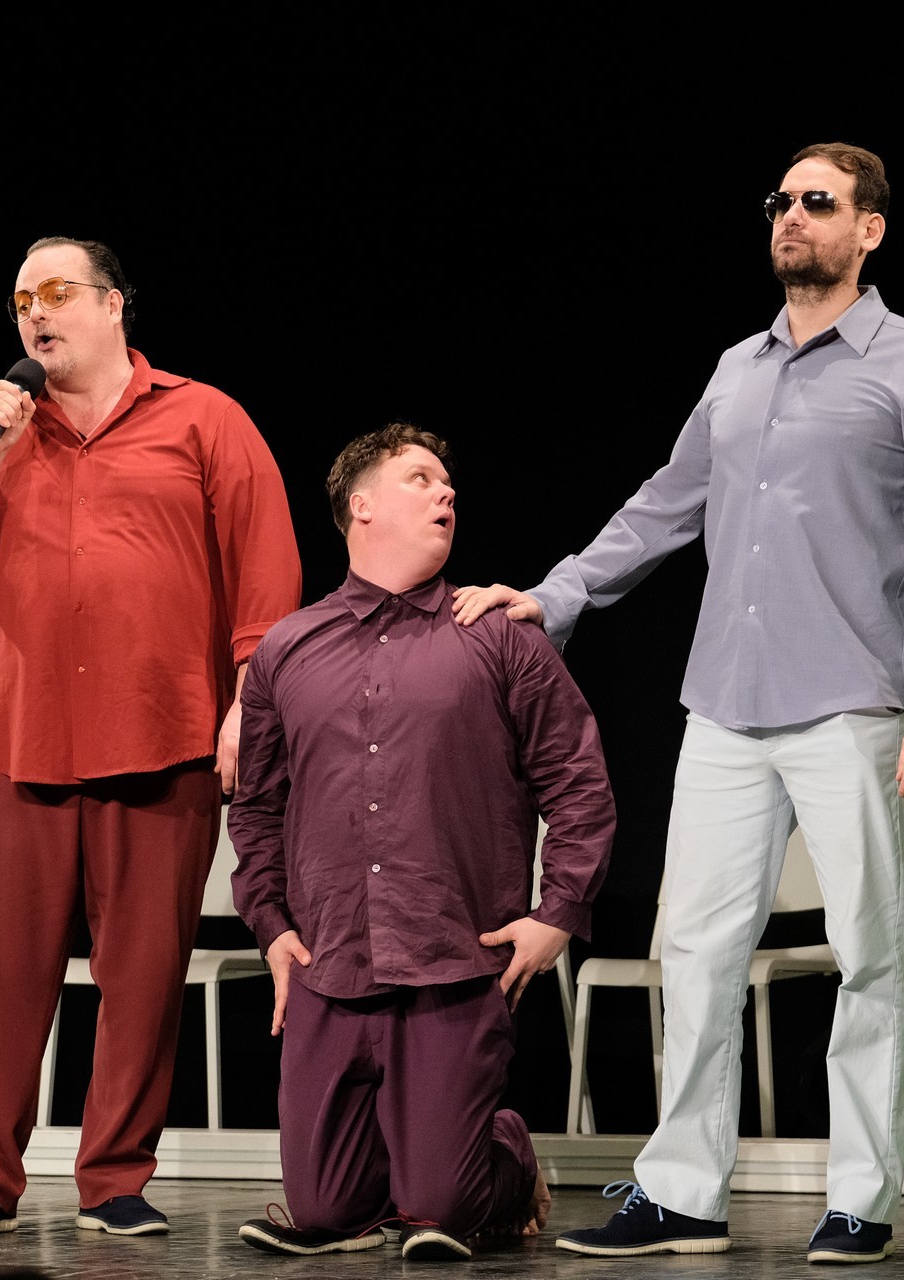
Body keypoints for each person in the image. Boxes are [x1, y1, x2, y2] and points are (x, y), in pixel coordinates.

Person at [453, 142, 904, 1264]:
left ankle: (861, 1199)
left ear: (870, 229)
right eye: (781, 202)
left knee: (869, 954)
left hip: (856, 701)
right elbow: (667, 503)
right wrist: (557, 592)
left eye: (818, 202)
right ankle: (683, 1193)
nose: (791, 217)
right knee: (697, 950)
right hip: (725, 704)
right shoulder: (738, 368)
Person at [0, 236, 302, 1240]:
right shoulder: (0, 423)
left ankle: (115, 1177)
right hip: (21, 742)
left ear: (115, 304)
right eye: (22, 300)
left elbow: (264, 570)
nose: (36, 313)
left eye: (57, 292)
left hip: (161, 739)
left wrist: (250, 702)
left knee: (144, 978)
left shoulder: (203, 418)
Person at [226, 424, 616, 1261]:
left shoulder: (498, 634)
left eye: (447, 482)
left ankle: (504, 1152)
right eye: (421, 478)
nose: (447, 492)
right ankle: (398, 1171)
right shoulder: (289, 647)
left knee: (441, 1205)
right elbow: (255, 805)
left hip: (454, 959)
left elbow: (577, 781)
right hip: (331, 962)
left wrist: (557, 913)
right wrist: (270, 925)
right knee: (324, 1210)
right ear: (361, 505)